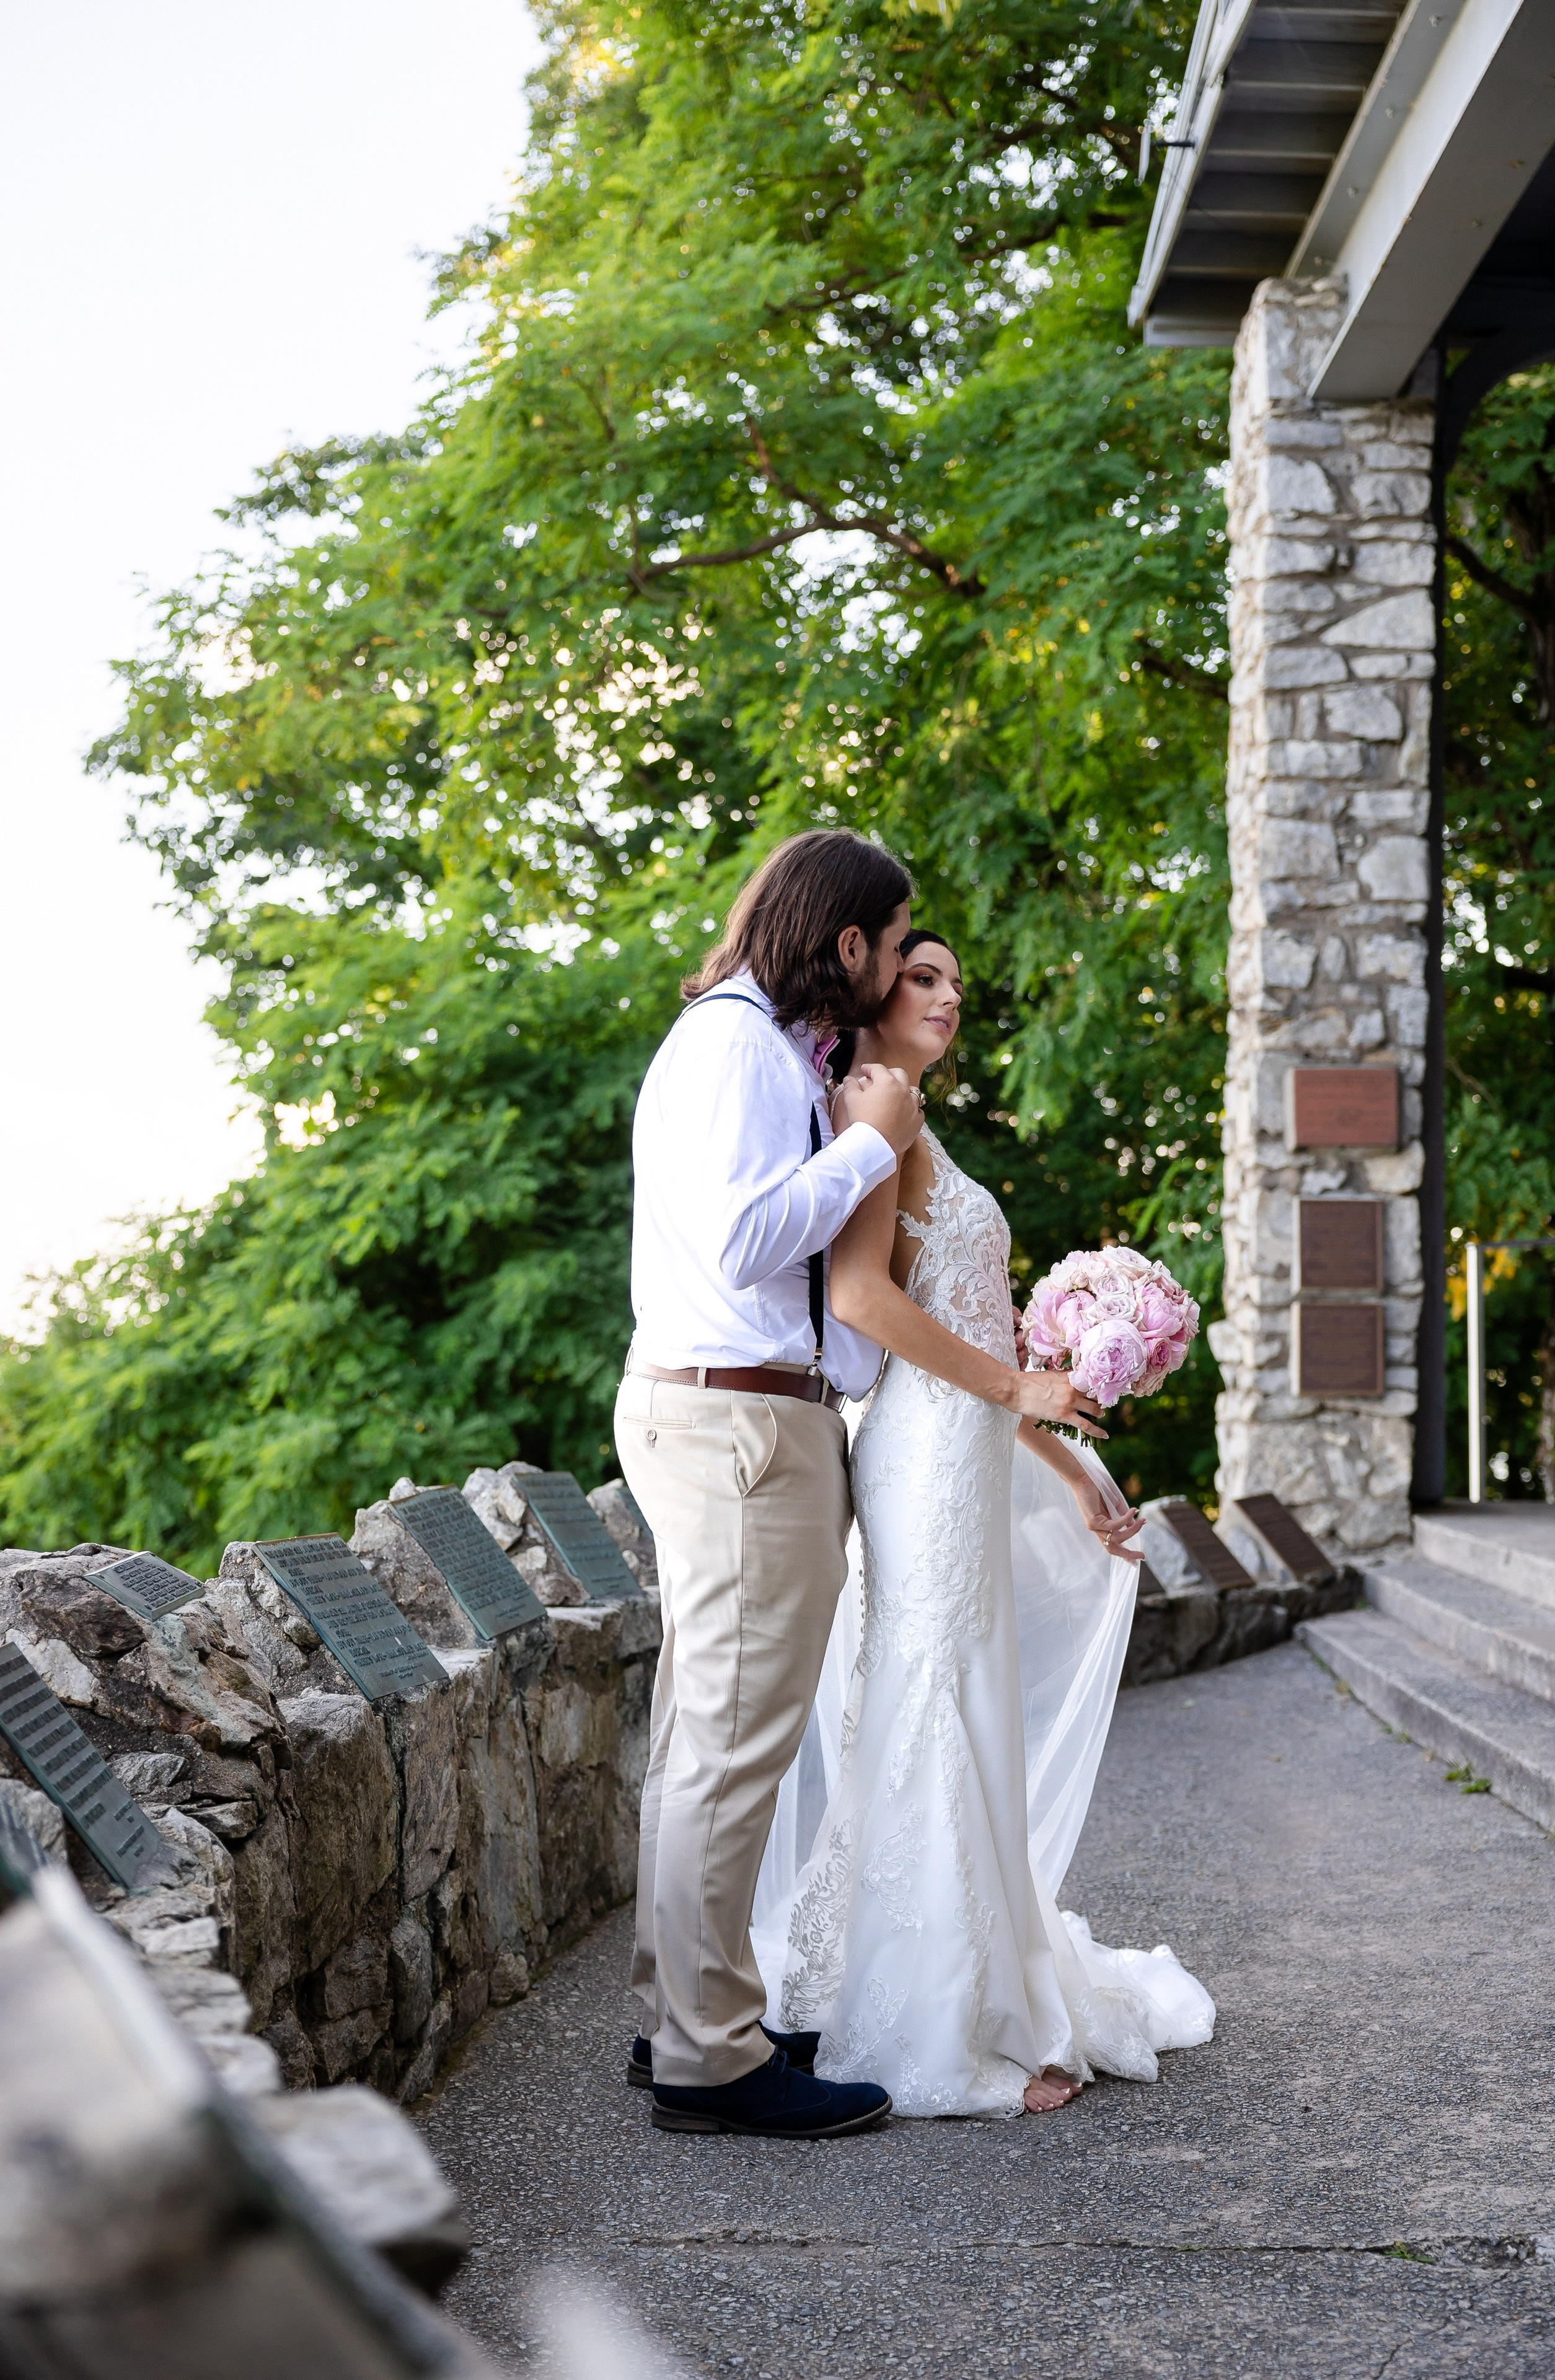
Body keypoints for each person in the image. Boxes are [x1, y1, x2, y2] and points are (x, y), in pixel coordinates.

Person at [615, 836, 1098, 2140]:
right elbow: (752, 1240)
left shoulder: (769, 1052)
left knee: (696, 1744)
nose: (907, 973)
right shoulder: (734, 1050)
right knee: (730, 1749)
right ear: (847, 948)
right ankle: (707, 2064)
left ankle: (682, 2017)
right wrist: (868, 1145)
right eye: (896, 947)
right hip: (730, 1422)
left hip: (746, 1410)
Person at [752, 931, 1217, 2118]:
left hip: (960, 1446)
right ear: (871, 990)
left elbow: (974, 1331)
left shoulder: (910, 1113)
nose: (951, 996)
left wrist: (1064, 1466)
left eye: (959, 981)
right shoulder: (878, 1108)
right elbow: (861, 1301)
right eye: (925, 978)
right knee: (928, 1695)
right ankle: (933, 2023)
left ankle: (969, 1984)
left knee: (956, 1696)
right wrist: (1025, 1392)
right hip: (917, 1455)